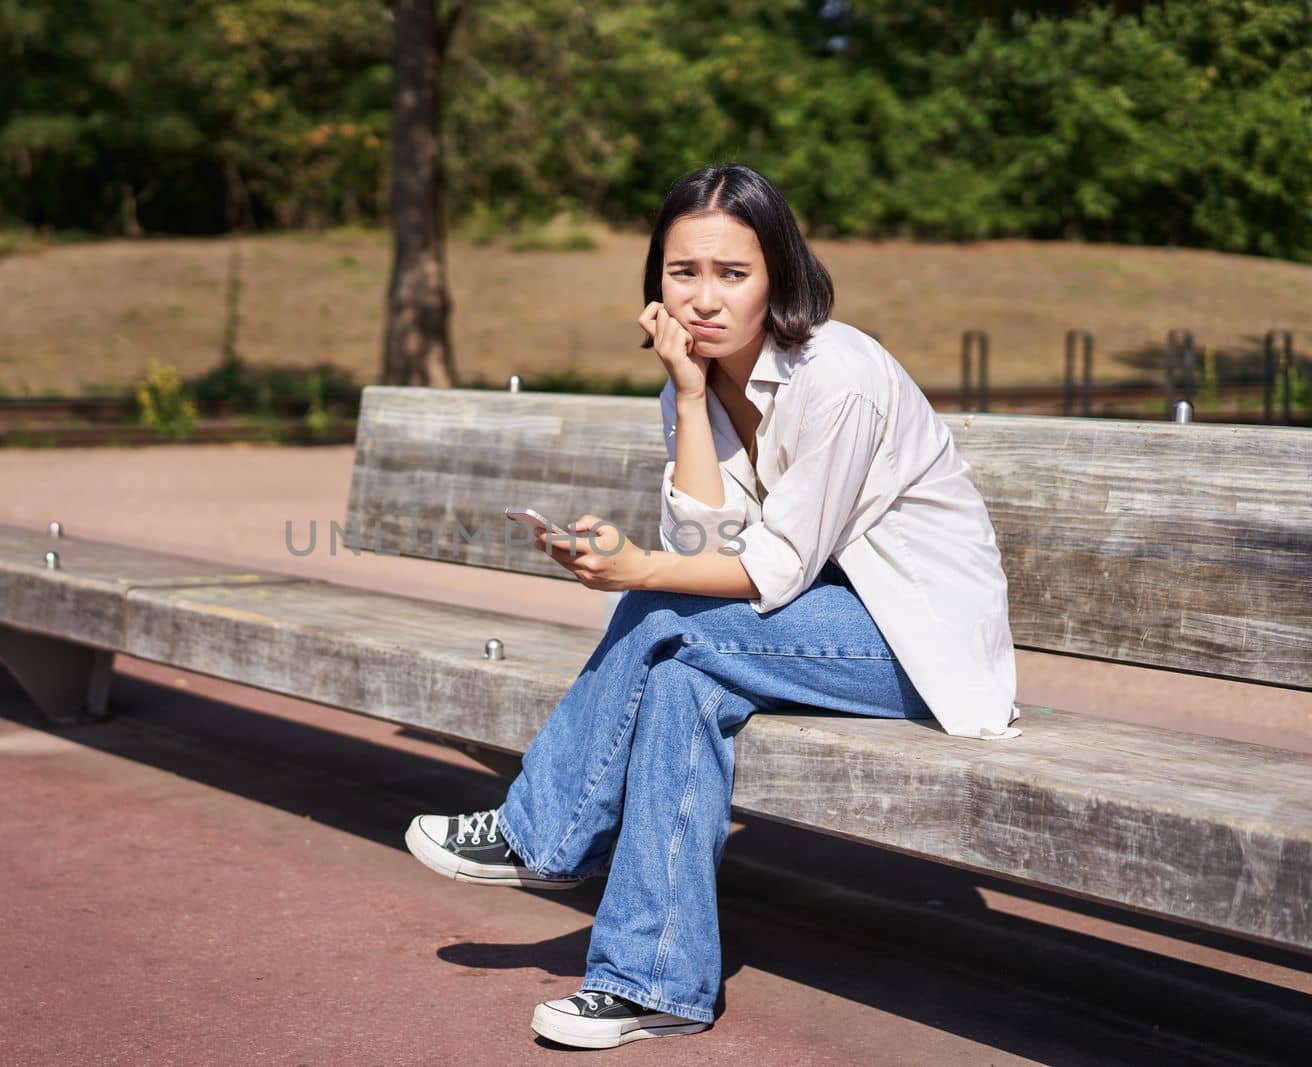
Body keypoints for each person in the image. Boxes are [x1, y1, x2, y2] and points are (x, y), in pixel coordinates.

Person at [404, 162, 1021, 1050]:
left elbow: (765, 568)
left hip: (914, 644)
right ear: (655, 280)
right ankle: (653, 982)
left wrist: (638, 570)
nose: (704, 298)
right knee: (680, 684)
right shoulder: (687, 383)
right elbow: (706, 554)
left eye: (732, 274)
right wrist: (692, 400)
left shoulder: (837, 373)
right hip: (800, 629)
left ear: (779, 276)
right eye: (682, 272)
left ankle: (539, 833)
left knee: (663, 617)